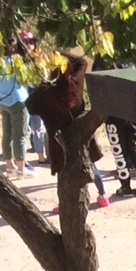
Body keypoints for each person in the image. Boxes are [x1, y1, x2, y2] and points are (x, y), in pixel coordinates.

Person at [31, 51, 109, 212]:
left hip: (60, 139)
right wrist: (60, 53)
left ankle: (64, 204)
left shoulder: (45, 91)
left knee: (63, 172)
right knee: (91, 165)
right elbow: (82, 62)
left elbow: (30, 106)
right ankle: (103, 195)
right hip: (81, 133)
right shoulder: (76, 82)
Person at [0, 48, 32, 176]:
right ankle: (21, 167)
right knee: (20, 134)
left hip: (2, 100)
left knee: (7, 134)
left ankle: (9, 165)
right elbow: (26, 79)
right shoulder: (13, 63)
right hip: (17, 100)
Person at [105, 117, 136, 197]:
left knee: (119, 151)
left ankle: (125, 188)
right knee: (132, 149)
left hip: (114, 117)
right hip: (130, 114)